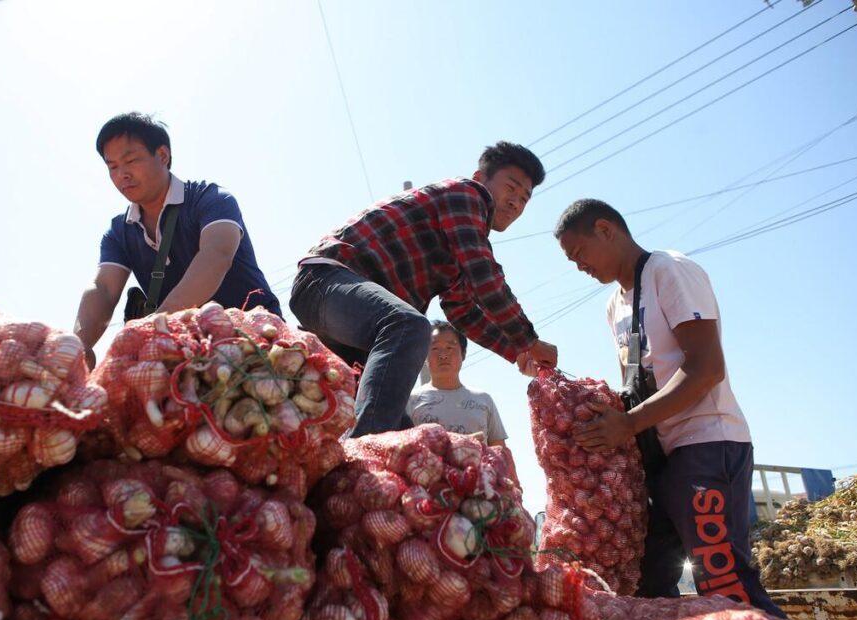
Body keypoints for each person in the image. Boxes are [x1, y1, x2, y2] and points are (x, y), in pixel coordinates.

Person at [553, 198, 785, 617]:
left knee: (723, 581)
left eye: (579, 254)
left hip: (705, 445)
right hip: (659, 456)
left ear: (606, 230)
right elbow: (635, 381)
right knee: (648, 584)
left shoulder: (669, 270)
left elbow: (706, 368)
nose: (579, 267)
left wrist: (627, 424)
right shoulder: (614, 305)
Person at [290, 141, 558, 439]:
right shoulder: (467, 194)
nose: (515, 203)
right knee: (409, 326)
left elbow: (464, 312)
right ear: (481, 178)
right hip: (326, 282)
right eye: (511, 188)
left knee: (405, 432)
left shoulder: (460, 245)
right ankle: (365, 455)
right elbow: (485, 279)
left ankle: (356, 463)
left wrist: (516, 352)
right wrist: (530, 340)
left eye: (524, 199)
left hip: (358, 330)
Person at [74, 112, 280, 368]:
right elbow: (104, 288)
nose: (122, 174)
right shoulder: (119, 231)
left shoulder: (211, 199)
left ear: (162, 155)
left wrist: (155, 325)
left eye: (131, 160)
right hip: (184, 355)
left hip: (256, 341)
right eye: (112, 166)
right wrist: (77, 344)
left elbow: (216, 256)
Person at [408, 321, 508, 448]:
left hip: (477, 468)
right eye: (435, 348)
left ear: (464, 353)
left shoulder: (484, 400)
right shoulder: (410, 401)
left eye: (450, 348)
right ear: (424, 356)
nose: (443, 355)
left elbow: (500, 453)